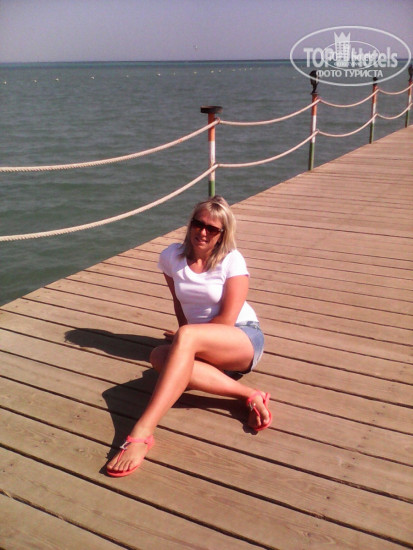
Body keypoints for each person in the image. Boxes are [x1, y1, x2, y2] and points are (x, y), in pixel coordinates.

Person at [106, 195, 271, 477]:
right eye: (198, 223)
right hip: (202, 342)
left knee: (182, 343)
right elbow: (179, 302)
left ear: (222, 234)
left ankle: (142, 431)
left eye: (212, 228)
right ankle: (249, 395)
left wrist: (188, 339)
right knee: (158, 356)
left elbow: (226, 322)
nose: (202, 232)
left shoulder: (232, 261)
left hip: (241, 337)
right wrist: (185, 336)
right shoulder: (172, 257)